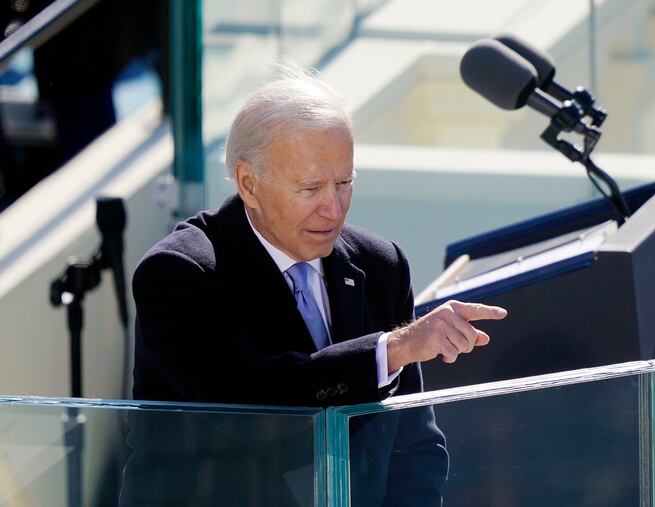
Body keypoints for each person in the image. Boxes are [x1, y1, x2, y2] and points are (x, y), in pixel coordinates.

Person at [125, 62, 507, 506]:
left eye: (345, 183)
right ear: (249, 183)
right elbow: (247, 402)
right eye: (310, 189)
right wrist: (393, 350)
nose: (333, 208)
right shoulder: (181, 273)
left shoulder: (380, 264)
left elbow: (413, 446)